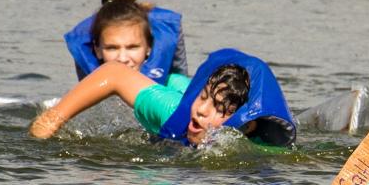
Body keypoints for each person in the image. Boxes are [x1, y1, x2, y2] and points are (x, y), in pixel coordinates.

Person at [30, 48, 296, 147]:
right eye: (202, 97)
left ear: (246, 125)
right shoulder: (173, 111)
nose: (201, 111)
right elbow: (114, 72)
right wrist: (51, 121)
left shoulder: (259, 146)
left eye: (218, 108)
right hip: (173, 89)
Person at [64, 0, 188, 84]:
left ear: (149, 47)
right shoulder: (82, 42)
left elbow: (181, 73)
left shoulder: (166, 32)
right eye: (112, 48)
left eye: (132, 47)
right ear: (97, 50)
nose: (122, 59)